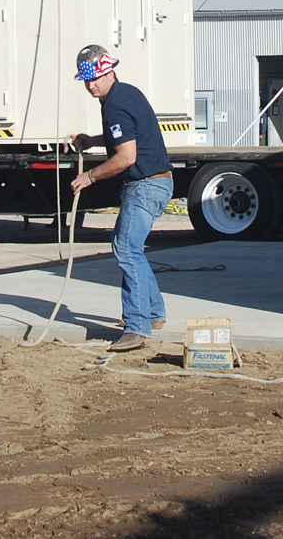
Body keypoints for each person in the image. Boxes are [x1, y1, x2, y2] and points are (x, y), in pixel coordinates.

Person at [68, 44, 173, 352]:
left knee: (126, 248)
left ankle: (137, 326)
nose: (90, 86)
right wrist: (92, 140)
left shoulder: (115, 104)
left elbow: (126, 156)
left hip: (145, 184)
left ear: (109, 71)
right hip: (156, 182)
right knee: (133, 249)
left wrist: (89, 176)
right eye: (86, 81)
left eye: (95, 79)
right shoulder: (124, 94)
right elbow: (123, 136)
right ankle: (152, 313)